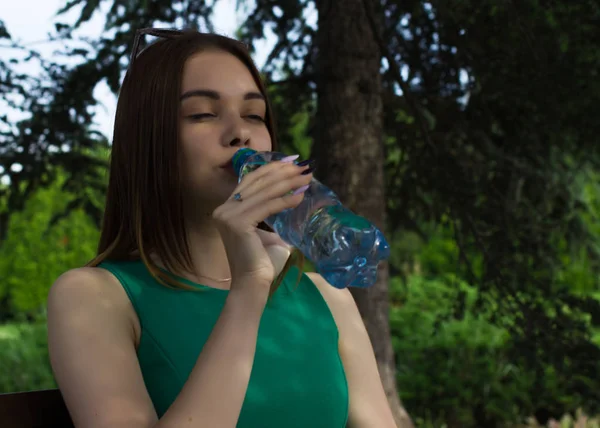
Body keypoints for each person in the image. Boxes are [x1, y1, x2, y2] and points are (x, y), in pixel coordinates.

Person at [47, 28, 397, 428]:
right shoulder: (93, 298)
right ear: (146, 139)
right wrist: (249, 287)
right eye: (202, 114)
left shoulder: (323, 296)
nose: (239, 133)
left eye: (254, 114)